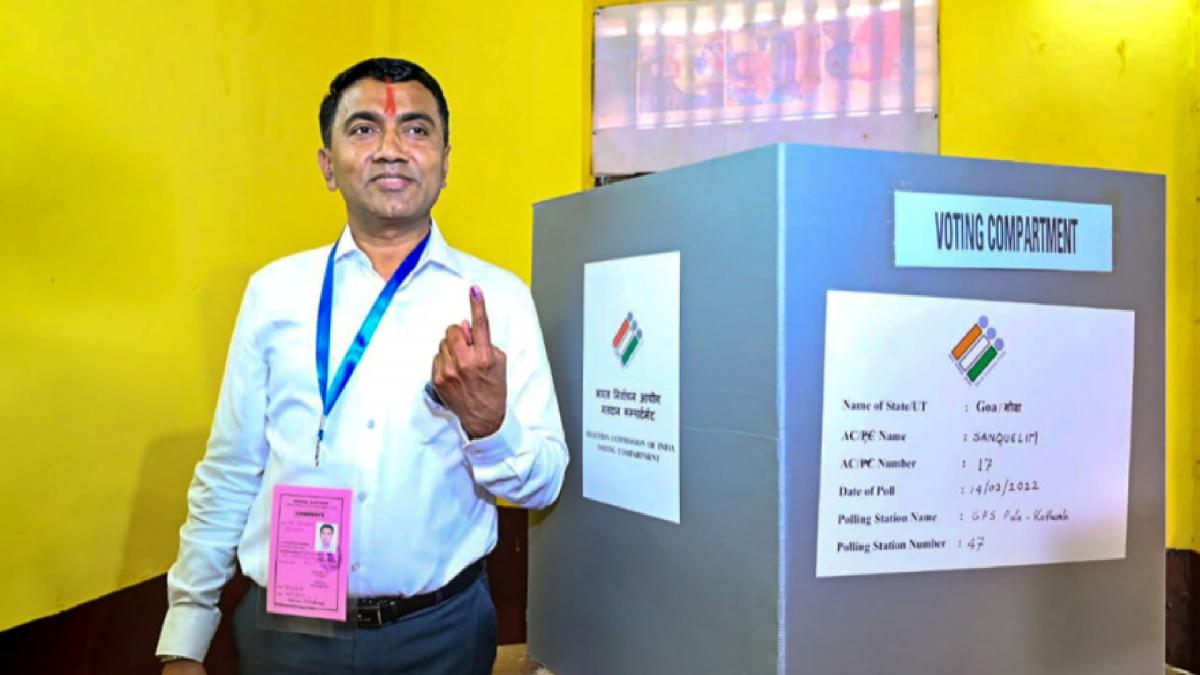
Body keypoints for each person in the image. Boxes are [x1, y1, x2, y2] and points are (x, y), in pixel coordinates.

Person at [156, 57, 569, 675]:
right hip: (287, 634)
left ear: (445, 162)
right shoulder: (274, 293)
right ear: (328, 165)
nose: (392, 149)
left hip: (442, 633)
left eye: (417, 130)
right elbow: (232, 469)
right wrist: (186, 637)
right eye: (364, 128)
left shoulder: (499, 299)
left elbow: (544, 483)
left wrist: (489, 426)